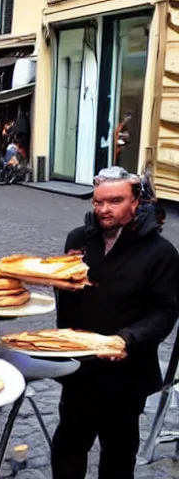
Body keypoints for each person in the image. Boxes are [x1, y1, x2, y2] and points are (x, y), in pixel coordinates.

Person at [52, 166, 179, 479]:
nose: (103, 210)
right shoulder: (79, 239)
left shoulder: (161, 253)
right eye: (98, 202)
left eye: (115, 201)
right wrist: (61, 281)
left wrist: (128, 338)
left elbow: (165, 312)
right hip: (79, 368)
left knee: (118, 455)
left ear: (136, 202)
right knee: (68, 446)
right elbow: (66, 302)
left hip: (125, 373)